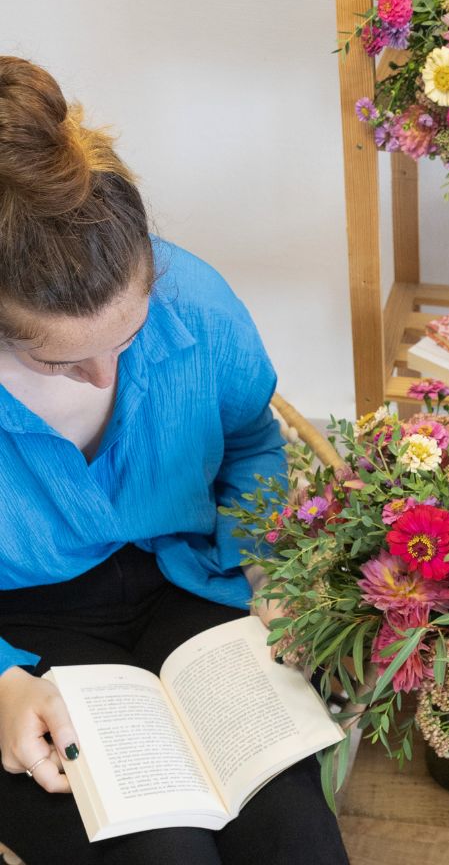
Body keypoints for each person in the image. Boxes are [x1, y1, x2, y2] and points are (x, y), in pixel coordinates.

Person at [0, 57, 350, 865]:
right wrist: (4, 689)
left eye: (129, 337)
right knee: (165, 851)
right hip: (25, 636)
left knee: (295, 837)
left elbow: (253, 442)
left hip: (191, 580)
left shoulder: (196, 298)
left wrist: (266, 568)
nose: (105, 378)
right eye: (60, 363)